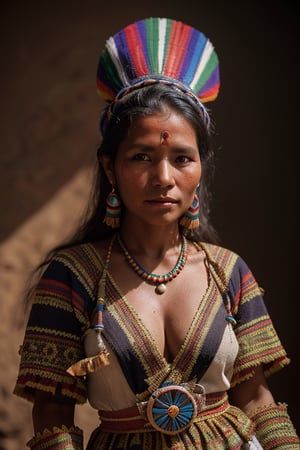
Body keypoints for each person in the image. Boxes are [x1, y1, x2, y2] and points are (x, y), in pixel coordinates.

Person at [13, 17, 299, 450]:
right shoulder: (72, 277)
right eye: (142, 157)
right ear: (111, 167)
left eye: (182, 158)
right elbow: (52, 413)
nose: (163, 177)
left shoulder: (229, 272)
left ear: (200, 168)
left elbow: (256, 398)